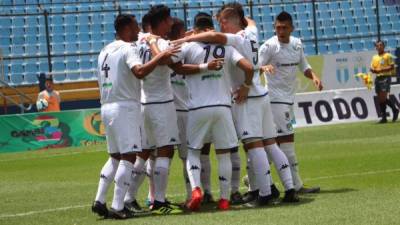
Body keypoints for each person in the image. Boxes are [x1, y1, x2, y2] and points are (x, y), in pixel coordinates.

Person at [173, 5, 299, 204]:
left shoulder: (237, 38)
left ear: (233, 21)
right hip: (262, 94)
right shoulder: (251, 32)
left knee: (254, 146)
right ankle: (290, 189)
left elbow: (215, 36)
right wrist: (236, 13)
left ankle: (265, 194)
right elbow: (251, 21)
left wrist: (187, 38)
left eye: (223, 20)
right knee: (271, 144)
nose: (221, 25)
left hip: (246, 96)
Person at [91, 14, 178, 219]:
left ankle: (99, 200)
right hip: (125, 106)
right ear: (127, 27)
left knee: (115, 156)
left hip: (106, 106)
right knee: (129, 156)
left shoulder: (104, 50)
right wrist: (157, 56)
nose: (138, 29)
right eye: (135, 26)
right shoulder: (127, 48)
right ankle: (118, 206)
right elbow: (139, 71)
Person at [170, 12, 254, 211]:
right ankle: (224, 199)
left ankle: (197, 190)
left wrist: (199, 65)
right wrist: (246, 87)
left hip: (198, 107)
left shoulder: (188, 46)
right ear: (211, 28)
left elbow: (175, 66)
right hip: (223, 108)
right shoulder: (226, 47)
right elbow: (249, 67)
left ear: (195, 30)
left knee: (193, 152)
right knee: (224, 154)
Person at [259, 11, 322, 194]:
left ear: (291, 28)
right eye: (278, 27)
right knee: (287, 140)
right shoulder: (269, 46)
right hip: (274, 99)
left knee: (274, 143)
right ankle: (296, 185)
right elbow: (254, 68)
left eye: (284, 27)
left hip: (287, 98)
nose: (281, 31)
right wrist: (263, 67)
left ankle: (255, 177)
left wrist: (314, 77)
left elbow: (304, 66)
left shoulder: (296, 44)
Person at [370, 40, 399, 123]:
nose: (379, 47)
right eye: (377, 45)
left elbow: (392, 67)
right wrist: (372, 70)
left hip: (385, 77)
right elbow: (372, 67)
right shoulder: (374, 57)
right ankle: (385, 117)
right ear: (376, 47)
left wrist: (381, 70)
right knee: (380, 99)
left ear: (383, 46)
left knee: (383, 97)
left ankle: (394, 110)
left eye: (380, 45)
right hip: (378, 78)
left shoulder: (387, 55)